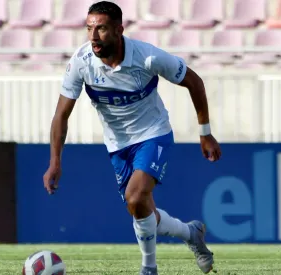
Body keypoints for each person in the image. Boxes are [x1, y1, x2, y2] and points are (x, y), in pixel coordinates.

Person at [42, 1, 222, 274]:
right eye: (89, 28)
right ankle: (190, 232)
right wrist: (55, 161)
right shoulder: (81, 62)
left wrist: (205, 134)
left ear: (118, 29)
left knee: (136, 197)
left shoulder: (147, 57)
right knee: (141, 211)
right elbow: (61, 116)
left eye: (101, 29)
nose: (93, 36)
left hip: (153, 134)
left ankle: (149, 268)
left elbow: (194, 82)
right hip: (117, 145)